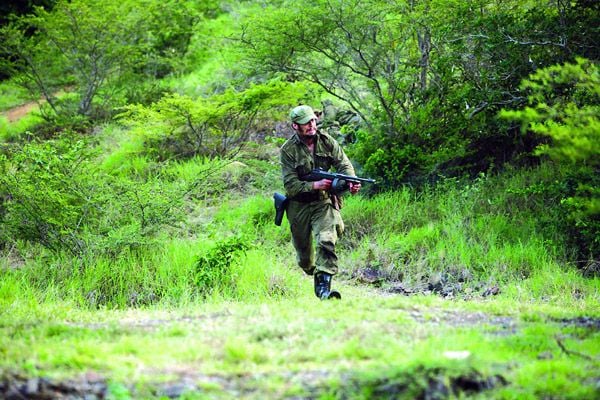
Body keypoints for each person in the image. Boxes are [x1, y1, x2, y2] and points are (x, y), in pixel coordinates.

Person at [280, 105, 361, 300]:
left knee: (326, 239)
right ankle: (315, 272)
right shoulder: (288, 150)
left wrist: (351, 181)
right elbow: (291, 185)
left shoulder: (327, 141)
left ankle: (324, 290)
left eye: (313, 121)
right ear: (295, 126)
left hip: (323, 202)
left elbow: (344, 164)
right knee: (305, 259)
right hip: (298, 206)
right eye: (305, 123)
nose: (311, 125)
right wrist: (314, 184)